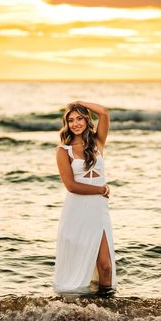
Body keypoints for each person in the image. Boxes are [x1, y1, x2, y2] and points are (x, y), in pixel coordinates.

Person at [53, 101, 117, 294]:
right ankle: (77, 306)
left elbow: (104, 112)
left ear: (87, 119)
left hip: (98, 210)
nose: (75, 123)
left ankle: (107, 312)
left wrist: (79, 102)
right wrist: (99, 190)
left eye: (79, 118)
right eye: (70, 120)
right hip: (77, 209)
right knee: (79, 260)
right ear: (66, 124)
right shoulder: (63, 151)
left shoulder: (97, 142)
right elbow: (71, 186)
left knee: (105, 266)